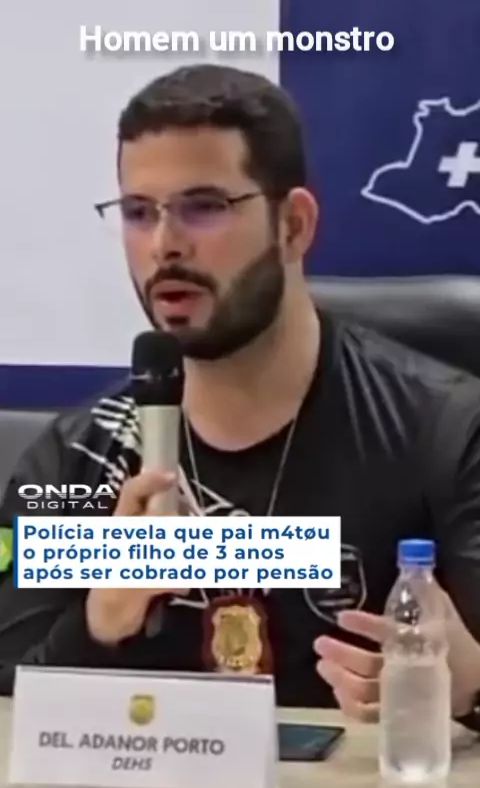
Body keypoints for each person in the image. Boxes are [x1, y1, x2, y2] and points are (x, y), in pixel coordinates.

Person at [1, 64, 480, 728]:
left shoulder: (445, 432)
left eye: (203, 207)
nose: (164, 245)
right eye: (138, 213)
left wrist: (471, 689)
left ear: (294, 226)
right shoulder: (79, 458)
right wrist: (97, 623)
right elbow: (10, 705)